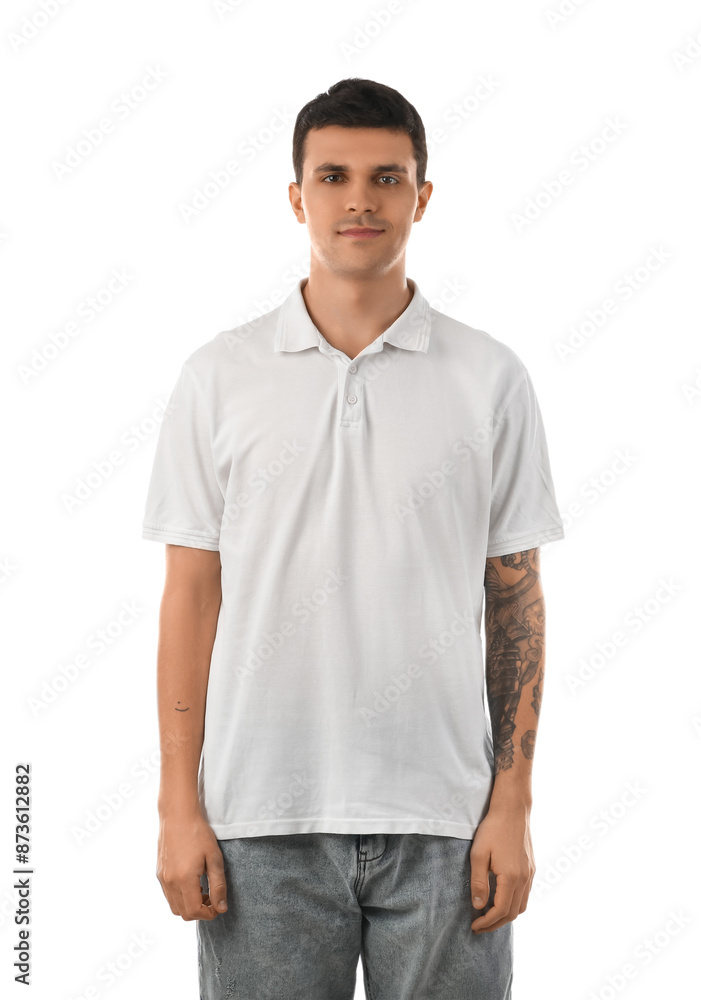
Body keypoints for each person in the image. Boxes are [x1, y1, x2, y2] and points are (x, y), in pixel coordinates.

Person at [141, 77, 565, 1000]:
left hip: (445, 823)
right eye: (332, 175)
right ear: (297, 197)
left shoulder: (490, 377)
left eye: (387, 176)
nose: (359, 198)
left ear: (422, 194)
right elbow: (191, 597)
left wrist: (513, 803)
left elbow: (515, 597)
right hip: (259, 817)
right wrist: (180, 802)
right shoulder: (218, 377)